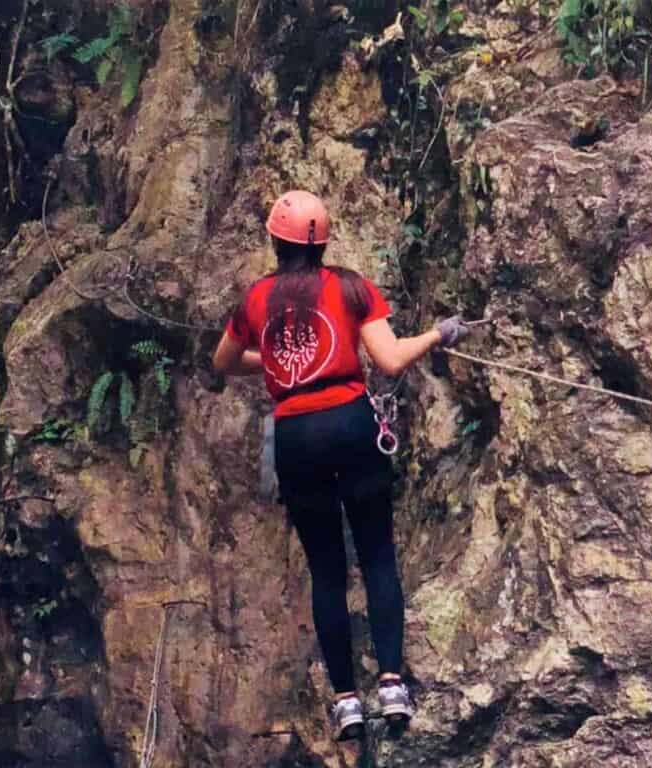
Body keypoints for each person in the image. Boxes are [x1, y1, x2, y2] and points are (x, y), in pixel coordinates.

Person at [211, 191, 473, 741]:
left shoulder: (256, 300)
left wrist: (279, 363)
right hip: (351, 423)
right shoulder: (352, 287)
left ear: (274, 241)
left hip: (296, 436)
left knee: (327, 570)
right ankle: (393, 685)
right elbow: (392, 359)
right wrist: (439, 334)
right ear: (323, 240)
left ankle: (347, 702)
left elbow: (223, 362)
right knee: (377, 554)